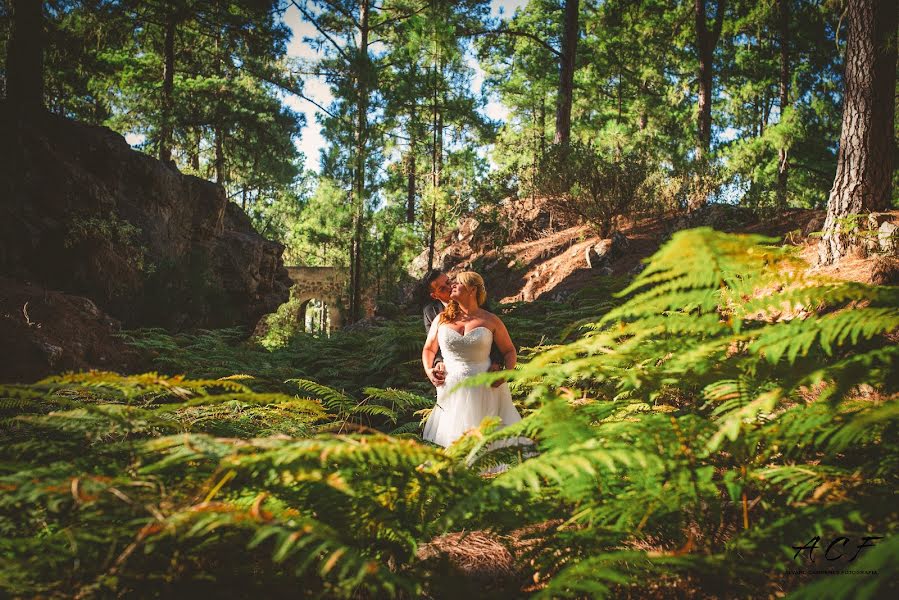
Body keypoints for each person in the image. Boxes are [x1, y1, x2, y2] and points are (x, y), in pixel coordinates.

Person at [420, 271, 529, 449]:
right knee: (455, 442)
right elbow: (429, 348)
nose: (451, 286)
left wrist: (504, 372)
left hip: (485, 384)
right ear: (435, 294)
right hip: (451, 384)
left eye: (455, 282)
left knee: (488, 439)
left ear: (472, 290)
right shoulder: (439, 318)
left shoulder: (490, 319)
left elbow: (509, 350)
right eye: (445, 286)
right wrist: (429, 370)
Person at [421, 269, 504, 389]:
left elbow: (494, 336)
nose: (450, 287)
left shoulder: (478, 303)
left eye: (449, 282)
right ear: (434, 295)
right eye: (442, 288)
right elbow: (433, 345)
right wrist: (437, 363)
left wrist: (497, 363)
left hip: (485, 374)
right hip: (451, 377)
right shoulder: (430, 312)